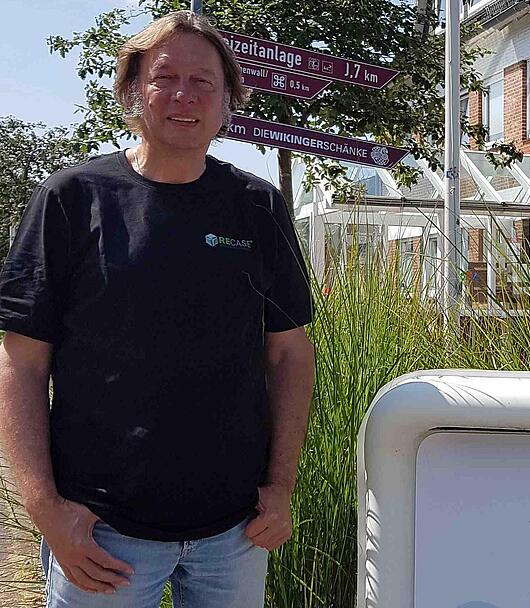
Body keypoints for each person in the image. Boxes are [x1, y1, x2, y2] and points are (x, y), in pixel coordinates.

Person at [0, 10, 315, 607]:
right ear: (131, 91)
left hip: (236, 530)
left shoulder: (255, 207)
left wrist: (280, 487)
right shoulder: (73, 199)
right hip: (101, 531)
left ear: (228, 102)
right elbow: (20, 362)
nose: (182, 95)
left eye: (204, 82)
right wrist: (46, 509)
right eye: (164, 77)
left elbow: (291, 353)